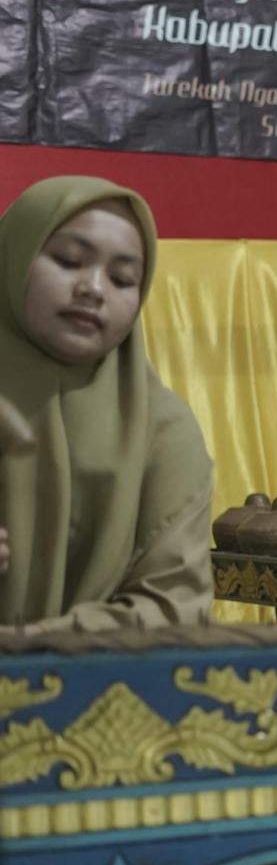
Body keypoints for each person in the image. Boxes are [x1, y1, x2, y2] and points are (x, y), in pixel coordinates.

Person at [0, 176, 214, 633]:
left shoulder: (163, 430)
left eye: (122, 279)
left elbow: (174, 608)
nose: (94, 288)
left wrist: (27, 648)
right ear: (11, 256)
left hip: (92, 676)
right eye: (68, 260)